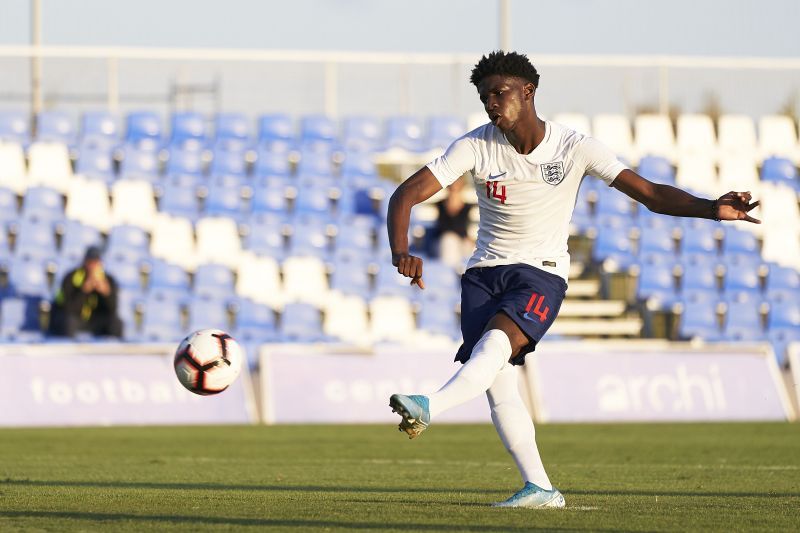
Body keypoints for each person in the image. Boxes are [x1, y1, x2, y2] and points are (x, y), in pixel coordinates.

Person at [386, 51, 759, 509]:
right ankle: (540, 488)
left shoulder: (575, 147)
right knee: (499, 387)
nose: (491, 104)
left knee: (492, 349)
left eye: (499, 94)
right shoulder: (475, 145)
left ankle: (430, 406)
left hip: (540, 274)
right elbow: (405, 194)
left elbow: (651, 195)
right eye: (485, 97)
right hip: (483, 275)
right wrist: (401, 251)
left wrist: (710, 207)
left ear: (529, 92)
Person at [50, 246, 123, 338]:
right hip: (75, 319)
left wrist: (106, 293)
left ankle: (114, 348)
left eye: (96, 262)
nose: (93, 266)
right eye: (90, 262)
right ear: (84, 261)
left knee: (116, 323)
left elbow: (113, 310)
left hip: (94, 321)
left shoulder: (108, 280)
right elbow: (68, 308)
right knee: (68, 321)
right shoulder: (71, 277)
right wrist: (84, 290)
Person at [433, 176, 474, 269]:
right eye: (452, 186)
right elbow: (445, 228)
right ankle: (449, 273)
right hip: (443, 243)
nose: (454, 189)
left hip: (462, 243)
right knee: (449, 240)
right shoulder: (440, 205)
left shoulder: (467, 207)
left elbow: (465, 229)